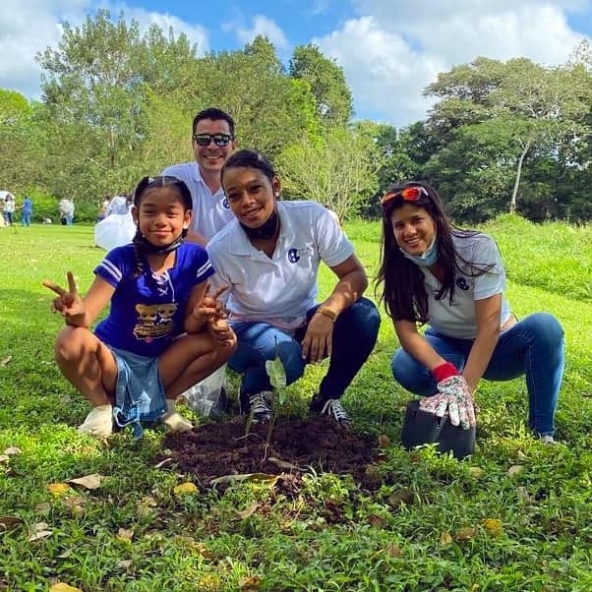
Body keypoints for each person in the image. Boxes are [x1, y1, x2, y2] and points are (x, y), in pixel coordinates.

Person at [43, 176, 237, 438]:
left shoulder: (196, 258)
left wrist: (202, 315)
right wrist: (76, 312)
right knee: (69, 339)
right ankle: (102, 407)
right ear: (136, 215)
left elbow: (191, 327)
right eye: (150, 212)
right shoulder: (121, 258)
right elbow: (85, 318)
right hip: (114, 363)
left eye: (171, 213)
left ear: (187, 219)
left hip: (162, 363)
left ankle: (164, 404)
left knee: (225, 341)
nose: (160, 221)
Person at [375, 181, 564, 442]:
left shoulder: (476, 248)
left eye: (416, 220)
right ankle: (445, 405)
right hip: (447, 345)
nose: (409, 231)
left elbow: (489, 327)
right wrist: (445, 373)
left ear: (435, 219)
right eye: (399, 225)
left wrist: (466, 388)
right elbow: (407, 332)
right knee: (404, 364)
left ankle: (543, 431)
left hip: (499, 346)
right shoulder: (398, 266)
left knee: (546, 327)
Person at [207, 149, 381, 424]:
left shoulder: (312, 218)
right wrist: (214, 322)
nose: (247, 202)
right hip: (249, 329)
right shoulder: (220, 249)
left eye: (255, 188)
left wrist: (327, 313)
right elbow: (211, 312)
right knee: (284, 356)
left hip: (304, 321)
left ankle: (328, 396)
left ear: (275, 186)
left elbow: (354, 274)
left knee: (364, 315)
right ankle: (253, 392)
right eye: (235, 196)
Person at [162, 107, 237, 244]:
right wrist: (214, 253)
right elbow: (171, 226)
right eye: (203, 139)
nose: (212, 147)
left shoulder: (246, 184)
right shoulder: (175, 177)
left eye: (221, 139)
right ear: (193, 144)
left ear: (233, 144)